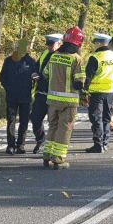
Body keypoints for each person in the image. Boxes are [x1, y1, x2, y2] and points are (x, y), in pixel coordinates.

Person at [42, 26, 86, 169]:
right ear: (78, 42)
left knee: (52, 127)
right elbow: (79, 83)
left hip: (52, 100)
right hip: (68, 102)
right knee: (64, 129)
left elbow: (45, 74)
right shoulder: (77, 59)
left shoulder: (54, 56)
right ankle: (58, 159)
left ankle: (46, 156)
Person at [83, 33, 113, 153]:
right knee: (106, 118)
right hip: (110, 92)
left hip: (96, 92)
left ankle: (98, 145)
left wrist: (84, 90)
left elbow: (88, 76)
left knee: (96, 118)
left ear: (98, 43)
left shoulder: (95, 57)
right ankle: (105, 143)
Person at [0, 38, 39, 154]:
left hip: (25, 97)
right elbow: (2, 77)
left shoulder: (31, 62)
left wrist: (34, 82)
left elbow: (36, 76)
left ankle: (21, 145)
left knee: (24, 121)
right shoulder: (9, 61)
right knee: (11, 121)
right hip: (11, 96)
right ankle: (10, 145)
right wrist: (8, 88)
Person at [30, 33, 63, 154]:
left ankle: (53, 145)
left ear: (59, 43)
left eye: (51, 44)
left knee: (54, 122)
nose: (49, 47)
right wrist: (34, 73)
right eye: (48, 44)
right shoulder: (45, 53)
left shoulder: (63, 56)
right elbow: (36, 66)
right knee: (35, 118)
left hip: (55, 95)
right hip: (41, 93)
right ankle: (41, 140)